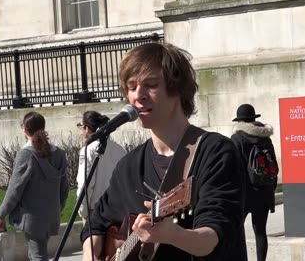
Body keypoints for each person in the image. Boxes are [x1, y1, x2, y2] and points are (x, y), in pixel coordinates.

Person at [80, 42, 246, 261]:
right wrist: (90, 252)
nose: (138, 95)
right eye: (131, 87)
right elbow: (96, 223)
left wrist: (173, 235)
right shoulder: (128, 167)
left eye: (150, 84)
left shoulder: (215, 152)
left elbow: (213, 237)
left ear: (176, 88)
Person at [0, 111, 69, 261]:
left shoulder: (26, 155)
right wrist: (57, 208)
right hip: (51, 216)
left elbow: (15, 189)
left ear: (24, 130)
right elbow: (64, 189)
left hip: (33, 219)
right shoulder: (59, 153)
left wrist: (1, 215)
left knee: (37, 256)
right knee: (36, 253)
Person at [230, 103, 279, 261]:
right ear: (253, 118)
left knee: (236, 231)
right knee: (260, 232)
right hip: (263, 193)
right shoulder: (265, 138)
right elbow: (274, 167)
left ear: (239, 121)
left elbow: (234, 169)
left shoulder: (237, 138)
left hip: (244, 194)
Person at [76, 111, 126, 223]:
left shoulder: (88, 150)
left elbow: (85, 184)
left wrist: (83, 211)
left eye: (81, 126)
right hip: (117, 209)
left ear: (87, 128)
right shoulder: (120, 150)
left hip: (96, 211)